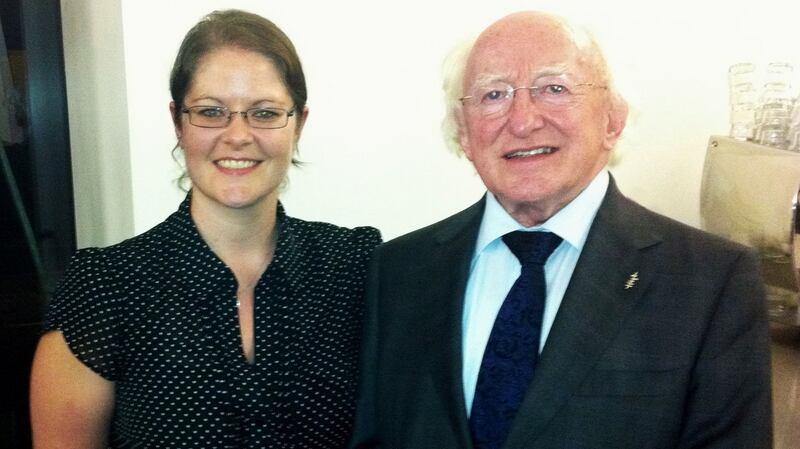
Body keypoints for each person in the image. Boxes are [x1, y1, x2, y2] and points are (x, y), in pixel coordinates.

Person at [349, 11, 772, 449]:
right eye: (494, 95)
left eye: (555, 88)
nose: (523, 120)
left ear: (613, 120)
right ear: (463, 134)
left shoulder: (712, 281)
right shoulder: (398, 270)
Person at [30, 9, 381, 448]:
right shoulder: (104, 288)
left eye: (265, 112)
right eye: (212, 111)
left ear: (299, 124)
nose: (237, 135)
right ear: (178, 122)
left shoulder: (354, 267)